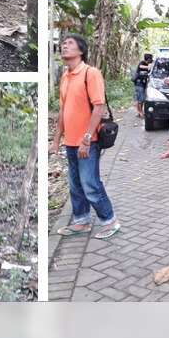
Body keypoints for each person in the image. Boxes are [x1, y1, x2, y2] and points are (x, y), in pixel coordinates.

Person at [50, 34, 121, 239]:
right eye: (63, 43)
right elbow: (63, 110)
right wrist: (57, 140)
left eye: (69, 43)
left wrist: (87, 138)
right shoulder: (65, 76)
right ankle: (81, 221)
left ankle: (110, 221)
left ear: (81, 50)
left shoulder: (91, 73)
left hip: (88, 141)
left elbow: (98, 107)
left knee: (90, 184)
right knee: (75, 184)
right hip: (70, 142)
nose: (64, 46)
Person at [133, 53, 153, 118]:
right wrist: (150, 66)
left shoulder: (147, 64)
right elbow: (141, 66)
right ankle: (140, 112)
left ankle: (140, 112)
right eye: (150, 59)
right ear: (148, 59)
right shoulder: (142, 63)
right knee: (140, 99)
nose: (151, 60)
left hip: (143, 83)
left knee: (142, 99)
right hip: (139, 83)